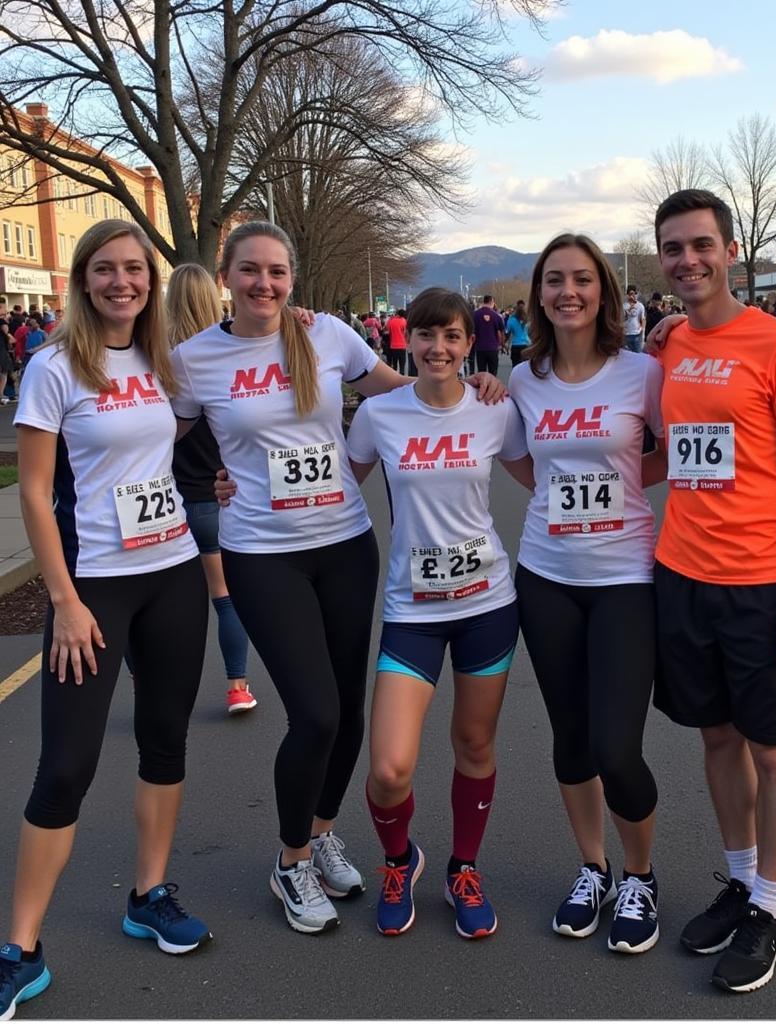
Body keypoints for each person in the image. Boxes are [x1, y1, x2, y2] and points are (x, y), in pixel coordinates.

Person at [178, 221, 504, 936]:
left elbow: (403, 397)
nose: (265, 283)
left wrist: (471, 382)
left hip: (347, 544)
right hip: (263, 554)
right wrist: (208, 484)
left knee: (348, 712)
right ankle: (291, 860)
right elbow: (161, 439)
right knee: (316, 713)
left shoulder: (326, 334)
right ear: (225, 276)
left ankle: (322, 831)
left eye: (277, 271)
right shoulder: (196, 358)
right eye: (250, 270)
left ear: (292, 277)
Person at [1, 220, 212, 1022]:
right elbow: (32, 491)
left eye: (135, 269)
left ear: (150, 282)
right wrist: (62, 600)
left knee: (165, 741)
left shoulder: (166, 361)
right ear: (82, 280)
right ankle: (20, 949)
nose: (123, 281)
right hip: (94, 587)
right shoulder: (53, 367)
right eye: (106, 269)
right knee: (66, 765)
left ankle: (149, 894)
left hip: (173, 578)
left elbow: (180, 437)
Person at [648, 189, 776, 994]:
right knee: (715, 738)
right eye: (673, 249)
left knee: (772, 748)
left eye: (700, 245)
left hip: (765, 582)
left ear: (730, 251)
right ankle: (739, 879)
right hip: (684, 572)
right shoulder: (670, 345)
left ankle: (772, 906)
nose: (687, 260)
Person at [346, 287, 528, 940]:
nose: (439, 348)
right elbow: (337, 485)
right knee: (390, 767)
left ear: (469, 340)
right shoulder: (380, 414)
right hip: (411, 611)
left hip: (487, 605)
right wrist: (238, 485)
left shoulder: (494, 412)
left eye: (452, 336)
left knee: (474, 744)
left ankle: (464, 868)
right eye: (426, 335)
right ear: (407, 339)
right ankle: (401, 861)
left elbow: (546, 474)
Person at [510, 233, 666, 955]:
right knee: (571, 738)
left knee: (617, 746)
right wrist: (555, 497)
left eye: (581, 279)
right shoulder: (521, 378)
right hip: (545, 577)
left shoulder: (643, 373)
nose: (567, 292)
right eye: (553, 281)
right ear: (538, 294)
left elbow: (669, 451)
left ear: (603, 290)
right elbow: (516, 461)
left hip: (625, 579)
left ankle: (640, 875)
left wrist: (624, 493)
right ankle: (594, 868)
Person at [165, 265, 257, 714]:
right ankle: (237, 685)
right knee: (224, 598)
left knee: (157, 601)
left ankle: (146, 675)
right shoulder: (222, 360)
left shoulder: (160, 362)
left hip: (164, 501)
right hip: (214, 496)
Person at [472, 295, 504, 375]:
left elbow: (471, 331)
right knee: (493, 373)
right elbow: (502, 331)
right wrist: (502, 345)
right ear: (492, 302)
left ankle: (482, 387)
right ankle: (491, 387)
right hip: (493, 348)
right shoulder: (496, 316)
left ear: (484, 302)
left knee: (481, 373)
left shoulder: (475, 315)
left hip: (480, 348)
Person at [504, 299, 529, 366]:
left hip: (515, 346)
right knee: (525, 368)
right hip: (526, 346)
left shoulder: (511, 319)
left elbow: (507, 333)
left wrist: (503, 344)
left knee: (515, 367)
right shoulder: (528, 319)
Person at [622, 285, 645, 352]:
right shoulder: (624, 306)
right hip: (626, 334)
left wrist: (643, 333)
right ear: (627, 295)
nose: (632, 296)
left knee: (637, 355)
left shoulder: (640, 306)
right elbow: (622, 319)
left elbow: (643, 319)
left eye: (634, 293)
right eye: (630, 294)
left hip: (637, 334)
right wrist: (628, 310)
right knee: (627, 356)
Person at [386, 309, 408, 374]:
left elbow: (387, 331)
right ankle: (402, 378)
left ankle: (395, 379)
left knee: (394, 364)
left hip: (393, 346)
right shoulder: (404, 321)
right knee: (402, 365)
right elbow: (406, 333)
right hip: (402, 346)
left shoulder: (390, 321)